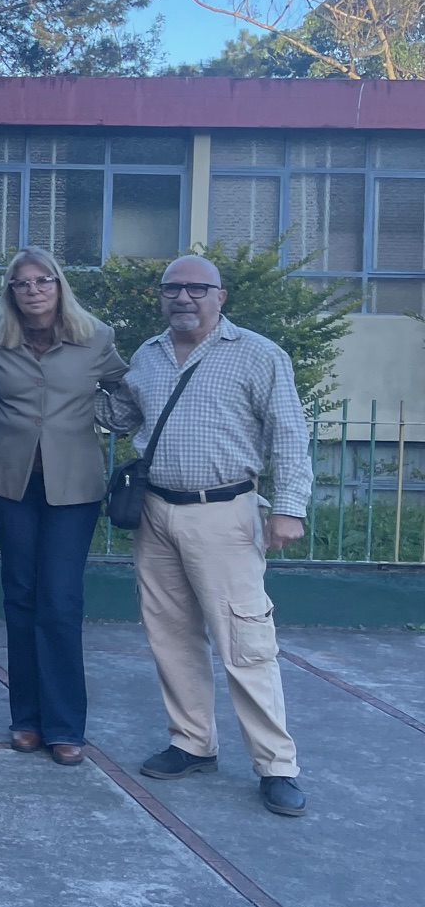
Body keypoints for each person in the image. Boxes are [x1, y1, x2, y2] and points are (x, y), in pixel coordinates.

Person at [122, 255, 312, 818]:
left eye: (197, 289)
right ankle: (192, 742)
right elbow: (127, 417)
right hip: (156, 512)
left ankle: (276, 764)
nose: (184, 298)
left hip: (225, 511)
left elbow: (289, 435)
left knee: (245, 642)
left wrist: (290, 510)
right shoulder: (147, 356)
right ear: (161, 297)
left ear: (220, 296)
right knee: (170, 635)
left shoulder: (257, 353)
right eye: (173, 288)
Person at [0, 247, 140, 765]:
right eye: (22, 283)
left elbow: (128, 391)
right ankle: (26, 717)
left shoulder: (96, 337)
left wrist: (119, 420)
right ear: (11, 292)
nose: (33, 291)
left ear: (58, 285)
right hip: (10, 481)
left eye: (42, 281)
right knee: (20, 595)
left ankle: (65, 724)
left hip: (74, 486)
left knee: (61, 600)